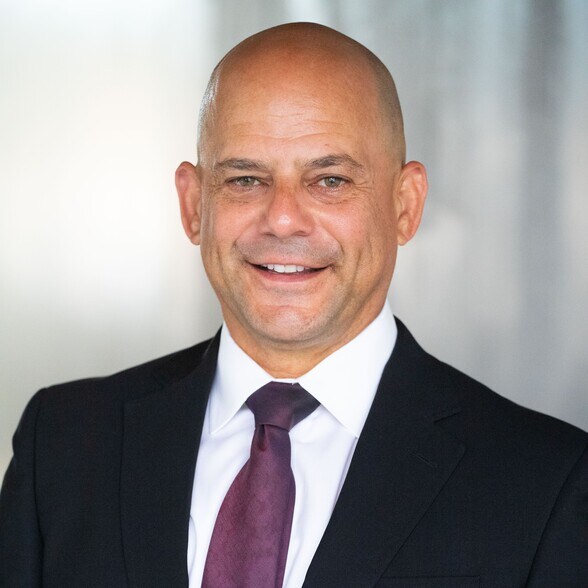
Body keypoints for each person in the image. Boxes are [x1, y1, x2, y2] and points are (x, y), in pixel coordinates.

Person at [1, 22, 586, 588]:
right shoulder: (63, 445)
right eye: (245, 180)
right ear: (194, 206)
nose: (282, 219)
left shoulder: (546, 483)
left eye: (330, 180)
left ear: (405, 206)